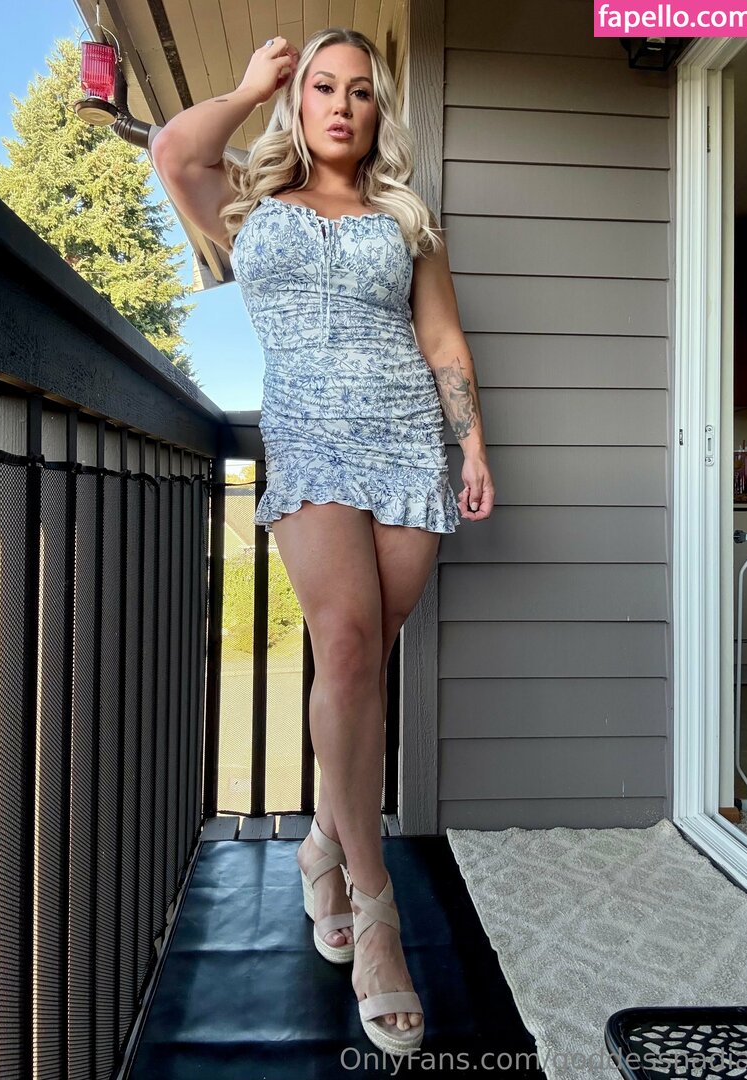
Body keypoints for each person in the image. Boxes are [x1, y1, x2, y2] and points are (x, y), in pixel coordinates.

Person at [151, 25, 495, 1057]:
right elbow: (174, 152)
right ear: (298, 103)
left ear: (379, 112)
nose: (341, 105)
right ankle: (373, 904)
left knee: (364, 660)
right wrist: (248, 85)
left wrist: (472, 447)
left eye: (360, 92)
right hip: (311, 442)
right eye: (322, 88)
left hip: (407, 439)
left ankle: (316, 847)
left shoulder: (406, 218)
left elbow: (441, 337)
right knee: (344, 647)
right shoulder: (249, 205)